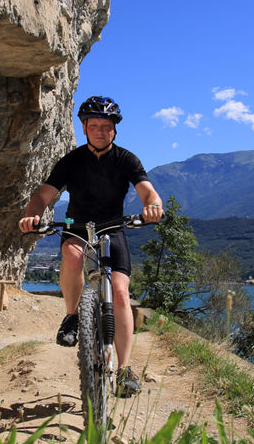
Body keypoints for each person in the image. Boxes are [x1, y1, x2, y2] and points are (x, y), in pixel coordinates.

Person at [19, 96, 163, 396]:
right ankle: (73, 316)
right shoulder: (71, 161)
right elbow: (43, 195)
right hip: (78, 226)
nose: (100, 131)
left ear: (114, 130)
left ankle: (124, 370)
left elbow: (148, 192)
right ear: (84, 128)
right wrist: (32, 215)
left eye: (106, 126)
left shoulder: (126, 160)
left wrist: (153, 207)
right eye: (94, 126)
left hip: (114, 228)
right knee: (72, 257)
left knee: (121, 294)